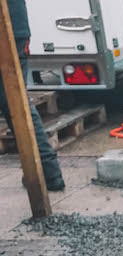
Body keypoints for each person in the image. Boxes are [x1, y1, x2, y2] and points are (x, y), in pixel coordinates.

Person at [1, 0, 65, 190]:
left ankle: (45, 170)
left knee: (16, 103)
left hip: (6, 28)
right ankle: (45, 170)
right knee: (17, 103)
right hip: (17, 27)